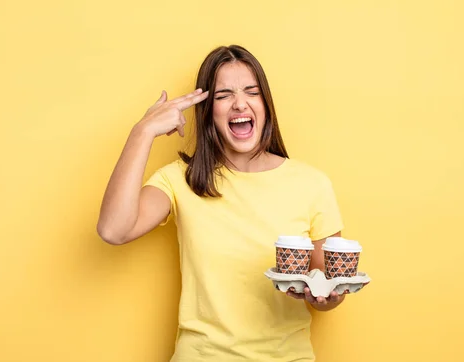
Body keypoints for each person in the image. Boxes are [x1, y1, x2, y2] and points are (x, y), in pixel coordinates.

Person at [97, 44, 346, 361]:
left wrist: (327, 296)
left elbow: (327, 287)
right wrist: (142, 131)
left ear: (265, 104)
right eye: (223, 95)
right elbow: (113, 229)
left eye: (251, 92)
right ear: (207, 111)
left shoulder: (312, 184)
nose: (239, 103)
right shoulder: (180, 180)